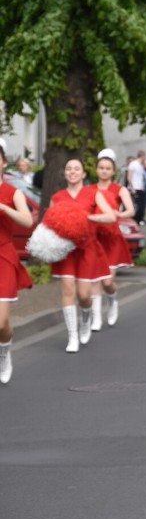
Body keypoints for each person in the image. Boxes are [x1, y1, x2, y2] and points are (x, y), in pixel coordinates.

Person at [51, 159, 115, 352]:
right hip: (66, 249)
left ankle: (86, 317)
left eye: (76, 169)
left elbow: (111, 216)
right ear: (64, 173)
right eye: (68, 169)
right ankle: (72, 336)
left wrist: (91, 218)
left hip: (87, 248)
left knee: (84, 295)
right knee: (68, 289)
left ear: (83, 174)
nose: (72, 172)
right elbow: (49, 221)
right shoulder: (57, 196)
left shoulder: (93, 194)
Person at [86, 149, 133, 331]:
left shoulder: (119, 190)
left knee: (107, 281)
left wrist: (119, 214)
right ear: (96, 170)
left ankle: (112, 299)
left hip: (111, 239)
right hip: (94, 238)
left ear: (113, 171)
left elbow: (130, 210)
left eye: (108, 168)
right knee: (94, 280)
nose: (104, 171)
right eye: (101, 168)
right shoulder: (89, 190)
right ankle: (96, 318)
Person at [0, 140, 33, 384]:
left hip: (3, 255)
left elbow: (26, 221)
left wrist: (4, 208)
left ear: (3, 162)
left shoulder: (14, 192)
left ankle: (4, 351)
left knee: (1, 324)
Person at [127, 151, 146, 223]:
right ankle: (132, 220)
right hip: (134, 187)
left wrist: (143, 186)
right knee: (135, 205)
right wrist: (132, 187)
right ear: (141, 156)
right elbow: (129, 176)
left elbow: (141, 177)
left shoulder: (141, 165)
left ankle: (138, 220)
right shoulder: (133, 164)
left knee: (141, 206)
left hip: (140, 187)